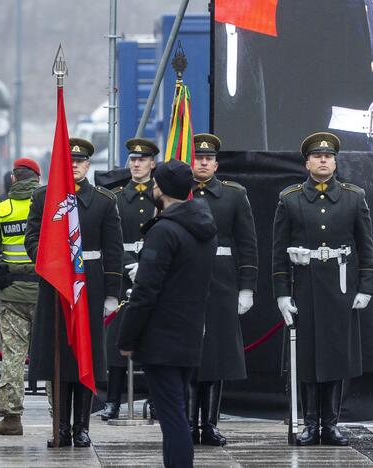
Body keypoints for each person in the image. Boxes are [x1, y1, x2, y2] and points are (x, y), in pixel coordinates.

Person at [272, 132, 373, 446]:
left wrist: (365, 286)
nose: (323, 160)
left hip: (340, 287)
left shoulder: (353, 196)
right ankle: (310, 424)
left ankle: (331, 425)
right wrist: (282, 294)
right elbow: (278, 251)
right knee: (306, 359)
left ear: (335, 161)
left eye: (328, 156)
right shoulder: (289, 198)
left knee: (335, 357)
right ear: (307, 162)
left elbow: (365, 246)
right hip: (304, 286)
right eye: (317, 156)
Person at [117, 159, 217, 468]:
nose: (153, 188)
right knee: (178, 414)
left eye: (156, 183)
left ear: (164, 189)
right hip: (188, 334)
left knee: (173, 418)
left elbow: (146, 292)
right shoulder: (204, 228)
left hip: (161, 339)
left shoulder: (165, 231)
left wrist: (127, 337)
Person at [26, 138, 124, 448]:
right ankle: (61, 427)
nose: (75, 166)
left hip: (89, 285)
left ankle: (82, 426)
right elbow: (31, 238)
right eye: (69, 162)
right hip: (56, 285)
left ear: (88, 166)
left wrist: (111, 293)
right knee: (59, 357)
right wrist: (51, 260)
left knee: (86, 355)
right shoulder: (43, 198)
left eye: (80, 162)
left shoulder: (104, 201)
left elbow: (113, 250)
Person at [188, 133, 259, 446]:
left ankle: (210, 423)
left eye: (208, 159)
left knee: (216, 356)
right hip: (186, 283)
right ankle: (189, 423)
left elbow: (248, 244)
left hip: (221, 283)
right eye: (198, 158)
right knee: (189, 355)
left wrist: (247, 288)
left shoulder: (234, 194)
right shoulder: (179, 194)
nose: (203, 163)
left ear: (216, 164)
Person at [100, 138, 159, 421]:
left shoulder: (161, 196)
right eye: (133, 160)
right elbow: (111, 241)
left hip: (154, 275)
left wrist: (147, 266)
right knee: (117, 340)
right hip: (123, 278)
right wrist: (128, 266)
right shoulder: (117, 197)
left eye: (142, 160)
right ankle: (112, 400)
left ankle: (157, 400)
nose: (136, 164)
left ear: (152, 164)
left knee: (155, 340)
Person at [0, 157, 42, 436]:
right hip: (45, 293)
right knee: (48, 355)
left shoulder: (1, 209)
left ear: (13, 179)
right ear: (37, 178)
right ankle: (60, 417)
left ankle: (11, 418)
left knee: (13, 357)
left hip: (12, 293)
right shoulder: (47, 205)